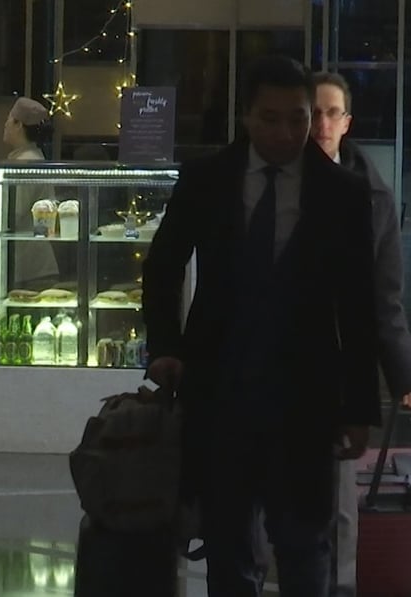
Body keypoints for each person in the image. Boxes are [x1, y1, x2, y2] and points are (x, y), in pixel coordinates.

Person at [142, 55, 380, 597]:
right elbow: (162, 266)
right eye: (271, 119)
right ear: (246, 116)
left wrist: (360, 406)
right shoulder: (208, 179)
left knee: (304, 545)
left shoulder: (341, 192)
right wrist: (165, 347)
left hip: (306, 399)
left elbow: (358, 303)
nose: (286, 133)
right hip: (220, 391)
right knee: (227, 547)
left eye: (298, 118)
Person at [309, 71, 411, 597]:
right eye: (314, 112)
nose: (322, 123)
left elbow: (384, 295)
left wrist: (402, 374)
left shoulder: (372, 195)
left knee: (337, 497)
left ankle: (339, 587)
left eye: (333, 113)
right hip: (275, 360)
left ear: (347, 122)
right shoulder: (277, 182)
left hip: (337, 364)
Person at [2, 97, 59, 286]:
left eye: (8, 120)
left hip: (29, 269)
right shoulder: (32, 157)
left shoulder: (25, 163)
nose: (5, 125)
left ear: (18, 124)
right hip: (33, 265)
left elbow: (12, 214)